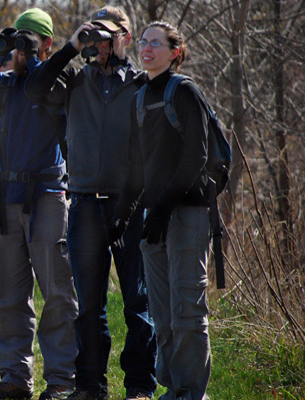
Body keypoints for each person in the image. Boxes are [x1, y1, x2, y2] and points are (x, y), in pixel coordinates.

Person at [24, 6, 157, 400]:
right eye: (94, 35)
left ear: (125, 39)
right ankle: (91, 386)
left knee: (137, 303)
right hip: (83, 204)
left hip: (130, 206)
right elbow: (35, 89)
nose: (99, 43)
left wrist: (135, 204)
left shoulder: (140, 83)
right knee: (89, 306)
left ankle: (139, 387)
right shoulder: (73, 80)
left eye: (107, 36)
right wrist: (69, 46)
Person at [0, 8, 78, 400]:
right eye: (18, 38)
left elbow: (46, 85)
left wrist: (39, 60)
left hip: (46, 197)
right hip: (6, 197)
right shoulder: (3, 83)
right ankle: (14, 377)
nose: (22, 47)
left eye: (31, 39)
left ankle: (60, 379)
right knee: (10, 294)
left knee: (57, 291)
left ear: (48, 44)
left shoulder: (57, 84)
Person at [112, 21, 213, 400]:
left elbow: (196, 157)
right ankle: (174, 389)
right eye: (144, 41)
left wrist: (163, 206)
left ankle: (191, 393)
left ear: (175, 52)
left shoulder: (184, 92)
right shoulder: (140, 97)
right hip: (153, 219)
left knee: (187, 309)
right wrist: (122, 214)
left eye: (157, 43)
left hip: (187, 214)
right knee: (163, 311)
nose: (147, 48)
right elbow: (136, 167)